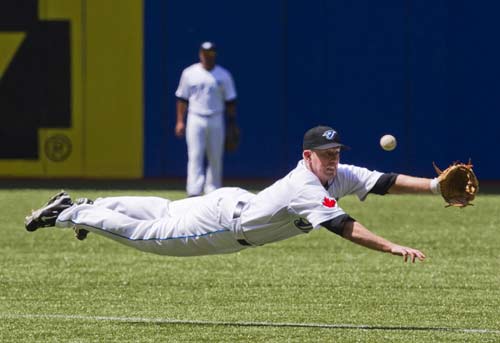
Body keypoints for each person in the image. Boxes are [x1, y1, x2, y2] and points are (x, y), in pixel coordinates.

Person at [25, 125, 437, 262]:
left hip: (230, 200)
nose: (333, 160)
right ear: (307, 155)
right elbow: (344, 226)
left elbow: (383, 181)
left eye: (336, 153)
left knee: (161, 209)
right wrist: (392, 246)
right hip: (222, 225)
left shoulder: (338, 173)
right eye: (325, 154)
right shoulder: (304, 185)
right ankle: (71, 214)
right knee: (145, 234)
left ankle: (87, 207)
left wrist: (435, 187)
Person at [174, 41, 237, 197]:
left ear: (214, 55)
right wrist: (180, 121)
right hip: (195, 117)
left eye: (211, 54)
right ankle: (193, 191)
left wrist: (232, 124)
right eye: (205, 54)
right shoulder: (189, 73)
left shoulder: (223, 75)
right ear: (200, 54)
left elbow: (230, 101)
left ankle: (213, 191)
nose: (208, 57)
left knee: (215, 156)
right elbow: (182, 99)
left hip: (216, 117)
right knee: (195, 155)